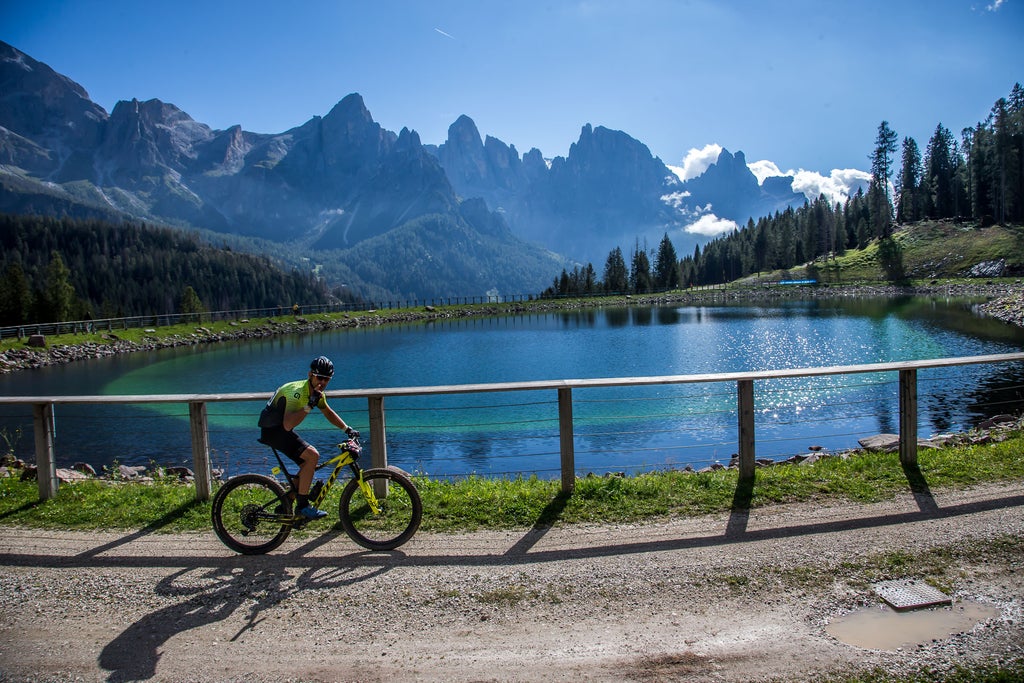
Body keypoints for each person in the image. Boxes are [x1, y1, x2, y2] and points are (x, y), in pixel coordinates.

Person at [258, 355, 356, 519]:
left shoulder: (317, 394)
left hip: (281, 429)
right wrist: (309, 405)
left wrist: (347, 429)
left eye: (327, 379)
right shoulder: (297, 393)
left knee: (307, 464)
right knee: (312, 456)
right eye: (320, 377)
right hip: (273, 430)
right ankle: (302, 506)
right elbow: (288, 425)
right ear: (310, 374)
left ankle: (287, 502)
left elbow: (328, 413)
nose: (323, 382)